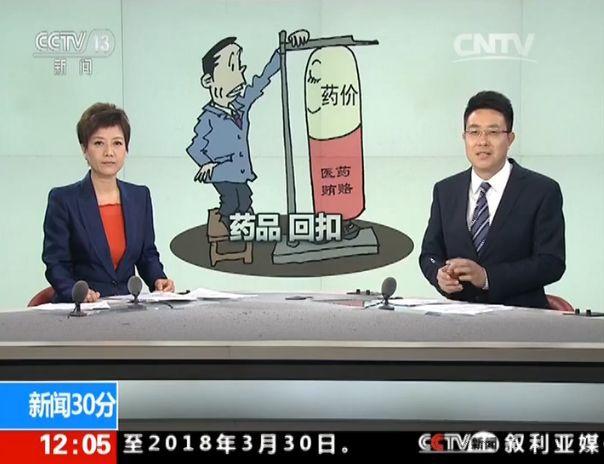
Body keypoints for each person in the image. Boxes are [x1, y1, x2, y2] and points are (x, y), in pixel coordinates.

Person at [419, 91, 565, 309]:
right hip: (460, 319)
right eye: (474, 132)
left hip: (523, 319)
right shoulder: (445, 190)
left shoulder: (542, 191)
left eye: (493, 132)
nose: (482, 141)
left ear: (510, 139)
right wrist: (438, 275)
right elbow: (430, 254)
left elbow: (551, 262)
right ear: (464, 137)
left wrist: (488, 277)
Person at [43, 103, 174, 302]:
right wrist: (75, 292)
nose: (109, 152)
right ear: (84, 149)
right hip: (82, 309)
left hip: (127, 308)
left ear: (126, 149)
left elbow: (147, 255)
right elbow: (56, 263)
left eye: (117, 143)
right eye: (99, 143)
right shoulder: (63, 200)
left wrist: (158, 279)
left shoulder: (140, 197)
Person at [186, 30, 309, 229]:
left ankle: (244, 230)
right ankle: (228, 230)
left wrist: (282, 51)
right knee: (231, 203)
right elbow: (194, 148)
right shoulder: (208, 118)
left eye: (240, 70)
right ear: (208, 81)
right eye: (229, 71)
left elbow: (262, 80)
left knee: (245, 200)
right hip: (223, 173)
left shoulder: (240, 107)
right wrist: (206, 164)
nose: (239, 80)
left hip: (240, 171)